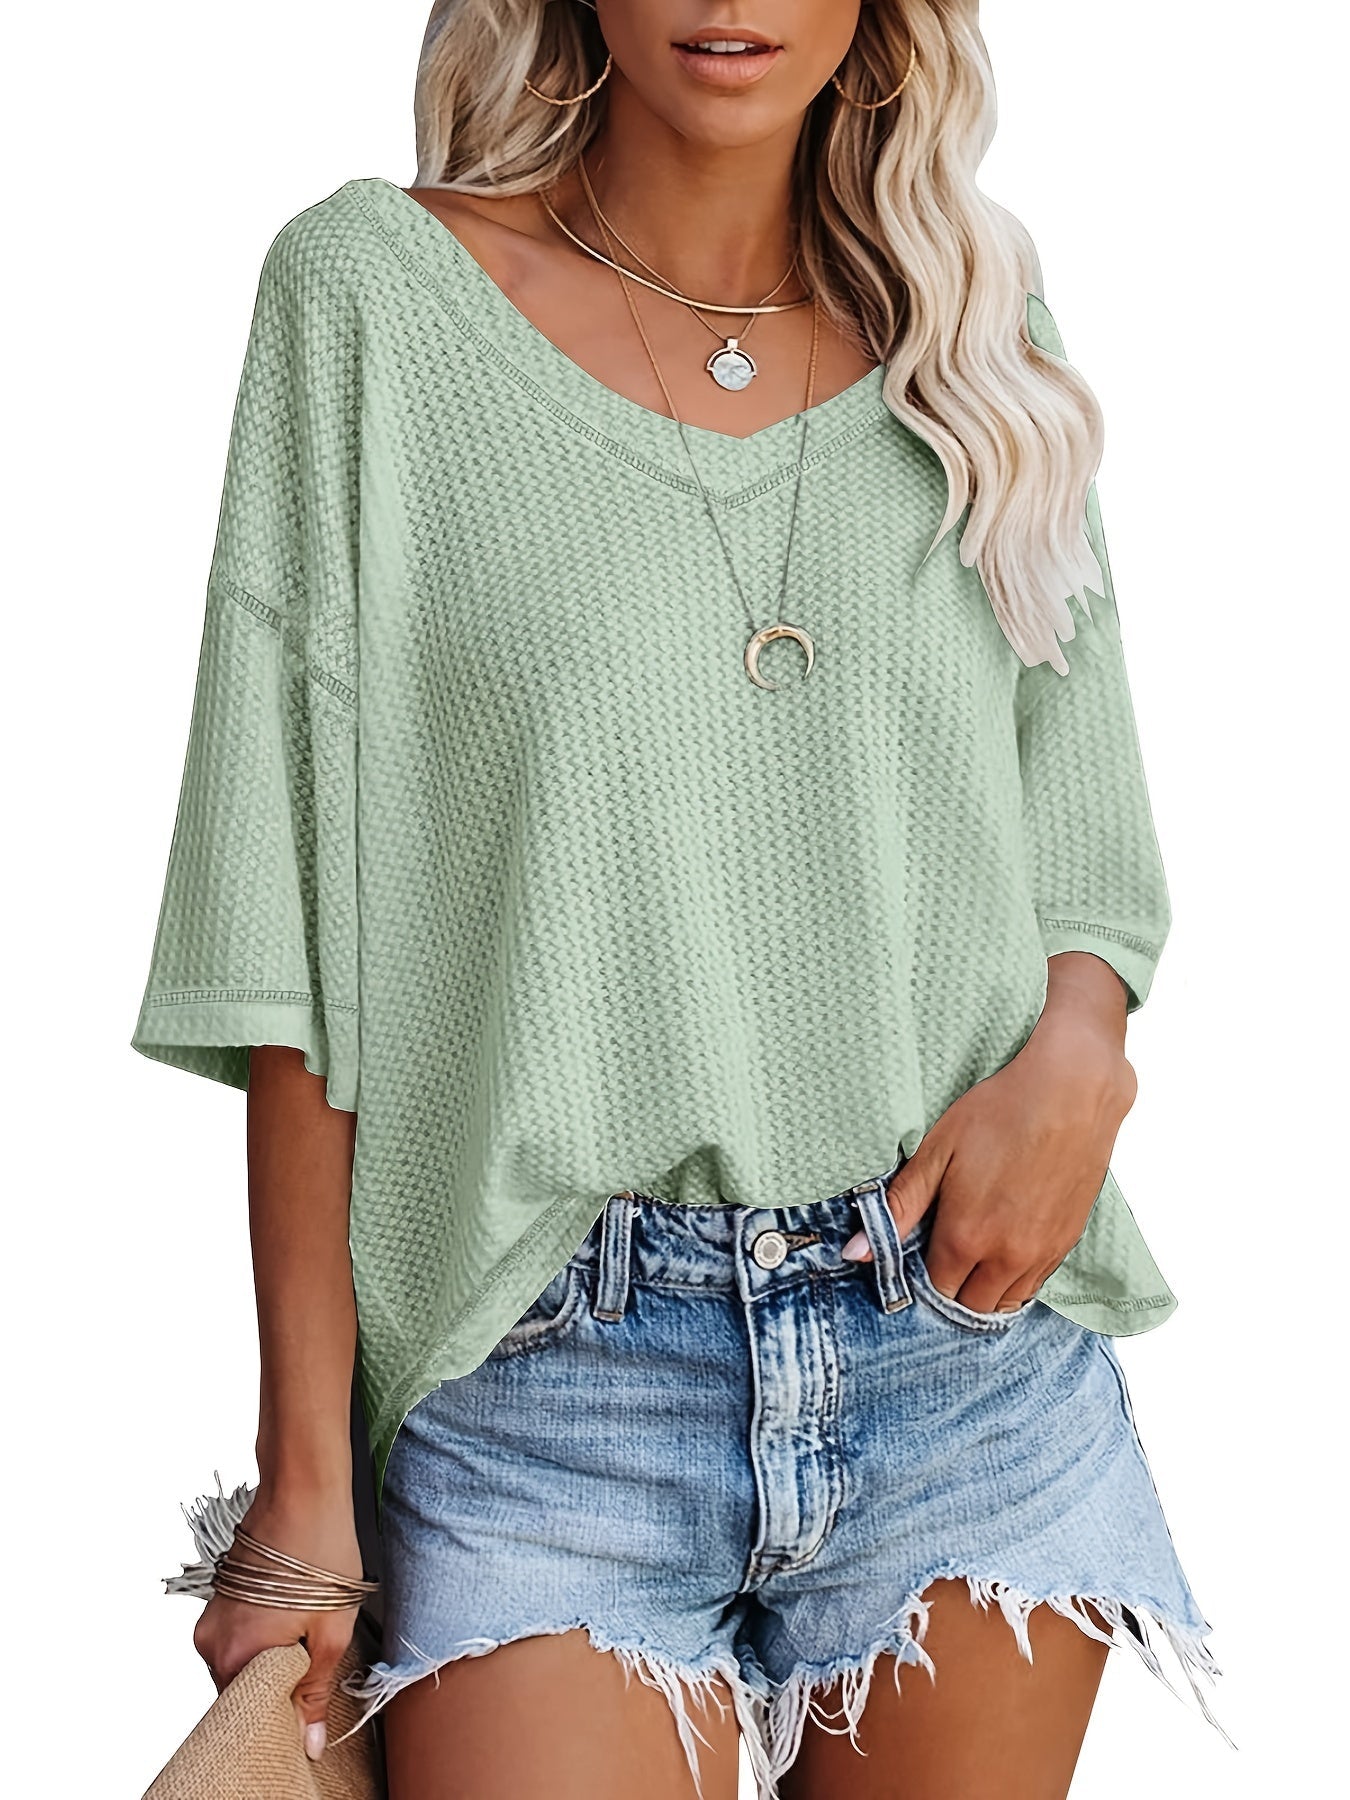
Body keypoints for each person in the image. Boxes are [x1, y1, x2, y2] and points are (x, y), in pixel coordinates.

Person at [131, 4, 1230, 1796]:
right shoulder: (372, 299)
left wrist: (1079, 1061)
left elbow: (1082, 834)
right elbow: (293, 936)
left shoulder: (974, 324)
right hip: (546, 1371)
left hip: (960, 1348)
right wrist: (304, 1476)